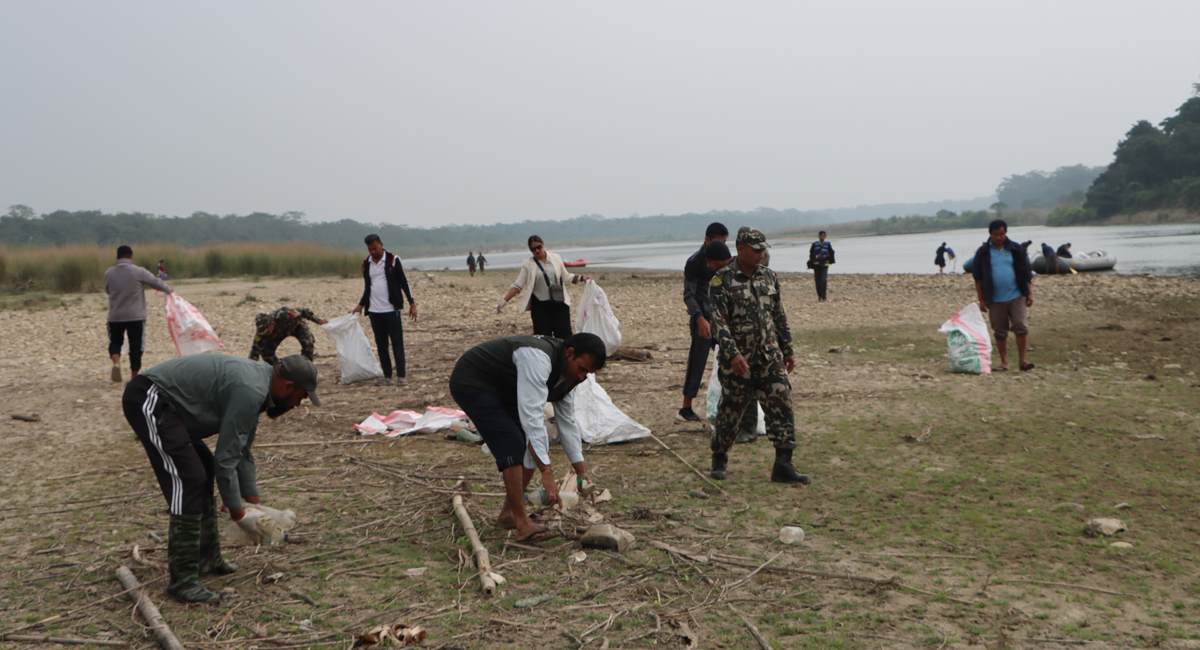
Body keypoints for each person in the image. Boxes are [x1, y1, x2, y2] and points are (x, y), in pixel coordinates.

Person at [122, 354, 320, 602]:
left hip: (173, 408)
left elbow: (242, 450)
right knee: (190, 478)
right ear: (288, 386)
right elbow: (226, 458)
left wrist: (253, 506)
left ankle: (208, 558)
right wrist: (238, 514)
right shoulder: (250, 389)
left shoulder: (259, 387)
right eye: (301, 397)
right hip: (149, 398)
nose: (298, 405)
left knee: (203, 468)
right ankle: (182, 580)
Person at [449, 333, 607, 544]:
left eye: (588, 373)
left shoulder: (570, 377)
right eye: (582, 368)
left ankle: (509, 514)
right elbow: (533, 420)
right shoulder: (537, 359)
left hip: (505, 389)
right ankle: (523, 525)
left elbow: (567, 423)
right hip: (474, 381)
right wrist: (547, 473)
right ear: (569, 354)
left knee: (529, 444)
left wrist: (582, 472)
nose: (581, 377)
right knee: (513, 442)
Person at [708, 227, 810, 485]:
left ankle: (783, 465)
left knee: (782, 404)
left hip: (769, 357)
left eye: (763, 249)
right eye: (755, 249)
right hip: (738, 361)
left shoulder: (768, 277)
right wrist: (732, 354)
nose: (760, 254)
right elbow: (719, 324)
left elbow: (779, 315)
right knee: (730, 411)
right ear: (740, 248)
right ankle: (719, 457)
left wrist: (787, 349)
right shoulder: (721, 281)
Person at [703, 240, 762, 443]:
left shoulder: (739, 273)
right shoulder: (720, 279)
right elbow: (719, 318)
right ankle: (734, 429)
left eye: (710, 262)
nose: (708, 267)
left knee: (745, 388)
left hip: (748, 342)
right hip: (732, 343)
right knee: (732, 388)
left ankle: (747, 429)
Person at [678, 222, 729, 422]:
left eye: (725, 243)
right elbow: (689, 295)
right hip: (702, 318)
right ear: (707, 240)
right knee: (697, 361)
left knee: (727, 357)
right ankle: (686, 407)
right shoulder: (695, 262)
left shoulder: (726, 261)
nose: (722, 246)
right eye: (718, 242)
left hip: (721, 318)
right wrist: (699, 318)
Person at [351, 234, 418, 386]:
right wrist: (360, 305)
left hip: (391, 309)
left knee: (397, 343)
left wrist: (412, 304)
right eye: (370, 249)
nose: (373, 251)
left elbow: (404, 283)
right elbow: (368, 287)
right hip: (374, 311)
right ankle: (387, 377)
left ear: (381, 244)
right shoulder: (366, 263)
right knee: (381, 345)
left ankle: (401, 376)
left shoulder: (393, 260)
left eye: (375, 248)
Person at [496, 236, 590, 340]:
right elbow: (518, 285)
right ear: (530, 250)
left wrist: (581, 278)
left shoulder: (555, 258)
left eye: (539, 247)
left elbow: (566, 276)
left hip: (559, 303)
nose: (537, 250)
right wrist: (504, 301)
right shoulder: (528, 264)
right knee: (543, 338)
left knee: (564, 335)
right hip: (540, 307)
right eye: (533, 249)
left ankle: (565, 355)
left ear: (543, 245)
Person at [104, 245, 173, 383]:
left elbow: (107, 290)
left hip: (115, 316)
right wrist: (169, 290)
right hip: (135, 316)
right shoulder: (139, 271)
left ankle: (116, 364)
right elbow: (155, 282)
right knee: (136, 345)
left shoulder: (109, 273)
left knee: (115, 342)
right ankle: (134, 376)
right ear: (131, 256)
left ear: (117, 257)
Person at [972, 220, 1035, 372]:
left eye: (1001, 234)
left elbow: (1026, 272)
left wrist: (1029, 293)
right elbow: (978, 277)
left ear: (1006, 233)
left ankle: (1022, 362)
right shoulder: (983, 252)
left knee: (1020, 326)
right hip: (994, 299)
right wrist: (981, 299)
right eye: (995, 234)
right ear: (990, 234)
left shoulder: (1016, 249)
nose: (999, 237)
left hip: (1017, 295)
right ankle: (1004, 363)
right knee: (1000, 331)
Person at [249, 307, 328, 366]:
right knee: (266, 352)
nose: (264, 334)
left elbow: (304, 312)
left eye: (266, 331)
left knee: (308, 344)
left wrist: (318, 320)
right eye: (262, 332)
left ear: (272, 324)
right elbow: (254, 352)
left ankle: (306, 368)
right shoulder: (261, 334)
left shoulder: (283, 315)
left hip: (296, 326)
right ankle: (278, 371)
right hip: (278, 335)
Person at [808, 231, 835, 301]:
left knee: (823, 280)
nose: (822, 237)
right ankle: (819, 296)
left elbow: (831, 254)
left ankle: (824, 296)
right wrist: (817, 257)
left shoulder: (828, 244)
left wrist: (825, 257)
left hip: (825, 264)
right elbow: (811, 254)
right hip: (816, 264)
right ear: (819, 236)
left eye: (823, 236)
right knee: (818, 280)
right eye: (821, 235)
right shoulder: (815, 244)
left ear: (825, 237)